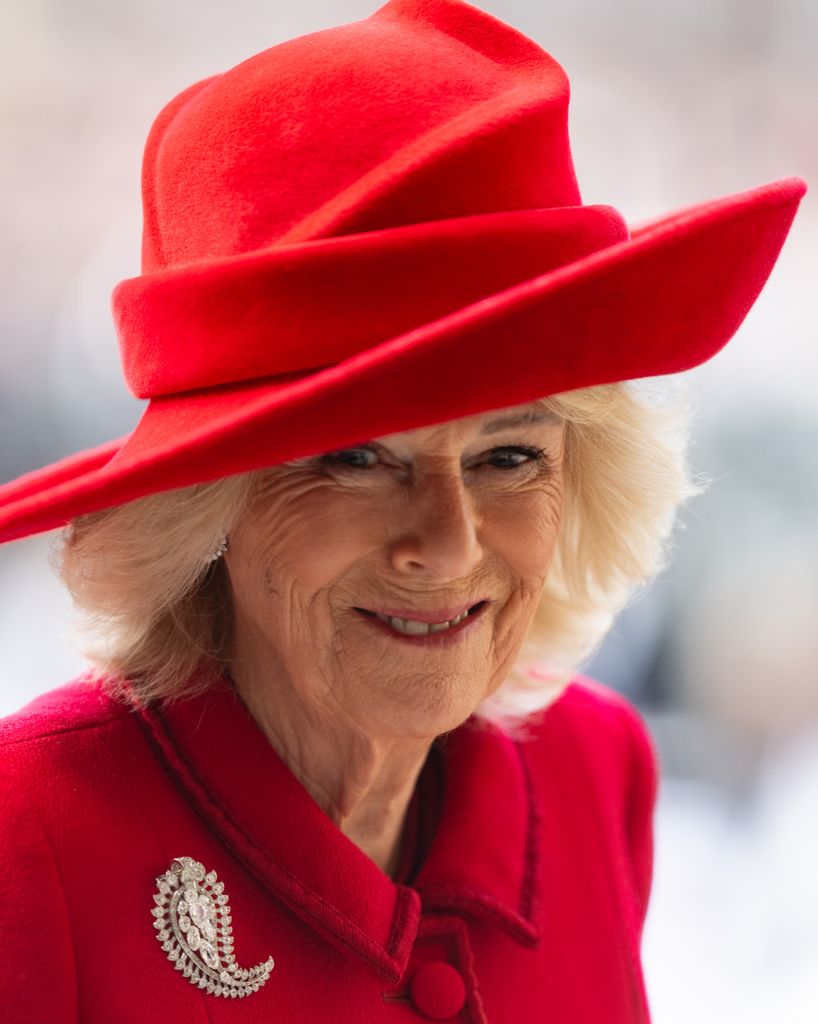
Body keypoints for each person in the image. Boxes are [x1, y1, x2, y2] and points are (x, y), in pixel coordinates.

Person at [0, 0, 806, 1021]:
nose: (450, 541)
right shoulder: (30, 833)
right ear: (210, 500)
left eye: (508, 455)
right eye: (356, 459)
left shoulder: (595, 773)